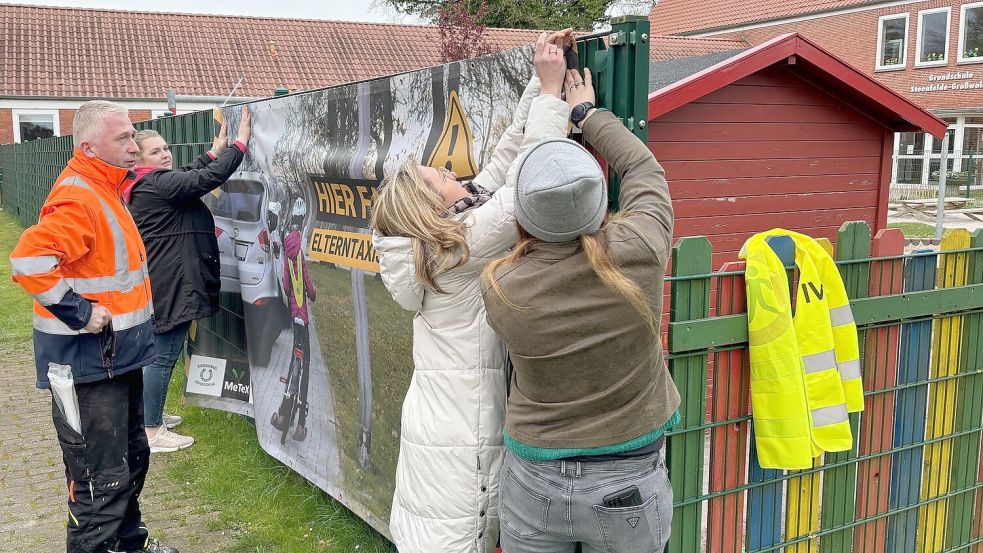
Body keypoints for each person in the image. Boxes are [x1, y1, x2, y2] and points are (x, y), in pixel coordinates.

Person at [370, 30, 573, 553]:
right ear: (434, 209)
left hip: (442, 423)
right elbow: (529, 185)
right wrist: (554, 95)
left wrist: (537, 80)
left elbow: (504, 164)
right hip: (463, 437)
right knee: (457, 535)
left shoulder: (434, 245)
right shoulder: (457, 252)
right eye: (439, 177)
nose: (450, 171)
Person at [480, 67, 680, 553]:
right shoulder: (641, 247)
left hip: (532, 480)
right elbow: (643, 169)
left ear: (523, 214)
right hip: (628, 479)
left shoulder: (500, 285)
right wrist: (587, 114)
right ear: (595, 204)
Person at [9, 100, 178, 553]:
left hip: (117, 359)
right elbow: (28, 260)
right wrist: (80, 313)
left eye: (132, 134)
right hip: (87, 367)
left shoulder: (108, 190)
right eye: (122, 137)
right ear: (89, 145)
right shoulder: (80, 196)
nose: (133, 144)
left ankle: (129, 544)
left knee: (131, 462)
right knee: (99, 480)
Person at [126, 106, 252, 453]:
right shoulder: (154, 185)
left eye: (165, 148)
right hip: (173, 284)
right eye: (156, 152)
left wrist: (215, 150)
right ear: (138, 161)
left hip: (168, 280)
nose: (165, 154)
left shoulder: (148, 183)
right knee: (162, 356)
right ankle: (151, 431)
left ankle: (147, 418)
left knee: (159, 354)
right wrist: (239, 145)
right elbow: (201, 180)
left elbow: (186, 174)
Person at [270, 198, 317, 442]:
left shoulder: (289, 254)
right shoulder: (300, 254)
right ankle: (300, 424)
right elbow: (307, 285)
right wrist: (312, 294)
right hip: (304, 317)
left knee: (293, 365)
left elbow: (287, 285)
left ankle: (282, 413)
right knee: (305, 368)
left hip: (293, 314)